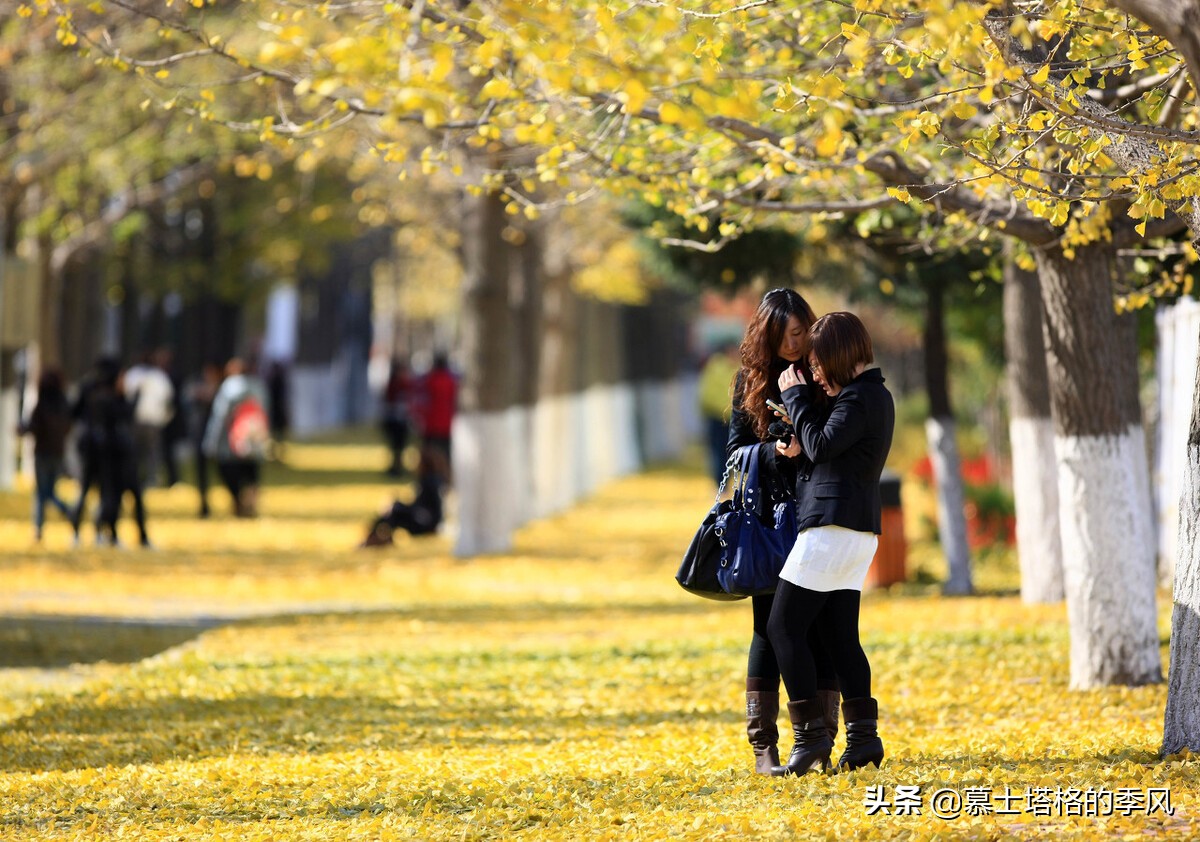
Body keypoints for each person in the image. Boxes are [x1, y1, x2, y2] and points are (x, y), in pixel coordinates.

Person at [768, 311, 895, 776]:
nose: (815, 372)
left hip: (832, 530)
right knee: (840, 637)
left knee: (784, 628)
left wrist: (796, 396)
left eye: (818, 363)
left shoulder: (861, 398)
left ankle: (810, 739)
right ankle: (863, 741)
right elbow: (826, 450)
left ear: (839, 355)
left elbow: (822, 446)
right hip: (853, 532)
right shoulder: (869, 397)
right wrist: (800, 439)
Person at [725, 287, 840, 775]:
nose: (795, 344)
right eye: (786, 336)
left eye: (800, 333)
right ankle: (763, 746)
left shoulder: (821, 374)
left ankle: (821, 739)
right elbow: (733, 453)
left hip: (818, 515)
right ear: (767, 336)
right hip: (771, 524)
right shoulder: (749, 381)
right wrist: (776, 452)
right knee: (768, 630)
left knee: (823, 627)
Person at [203, 358, 269, 517]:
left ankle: (238, 504)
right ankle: (251, 506)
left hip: (231, 441)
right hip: (254, 438)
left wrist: (211, 442)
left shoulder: (229, 387)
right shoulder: (259, 386)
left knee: (230, 473)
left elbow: (220, 416)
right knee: (251, 473)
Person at [19, 368, 74, 543]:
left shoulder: (42, 404)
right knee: (47, 491)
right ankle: (42, 526)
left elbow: (33, 426)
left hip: (42, 453)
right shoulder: (63, 403)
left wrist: (21, 430)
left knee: (43, 493)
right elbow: (68, 426)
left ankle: (63, 513)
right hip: (58, 452)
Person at [359, 447, 448, 547]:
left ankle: (375, 537)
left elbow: (428, 509)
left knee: (395, 509)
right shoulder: (434, 480)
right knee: (395, 511)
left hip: (427, 523)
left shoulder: (429, 481)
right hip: (426, 520)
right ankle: (379, 536)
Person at [123, 349, 176, 488]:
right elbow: (168, 398)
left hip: (139, 419)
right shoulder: (159, 376)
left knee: (140, 453)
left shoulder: (133, 375)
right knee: (150, 453)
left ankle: (138, 480)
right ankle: (150, 480)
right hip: (152, 420)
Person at [697, 340, 740, 484]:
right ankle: (719, 483)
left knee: (735, 452)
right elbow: (708, 394)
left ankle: (734, 483)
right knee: (718, 452)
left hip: (736, 418)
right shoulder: (715, 366)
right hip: (717, 417)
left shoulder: (741, 367)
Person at [188, 362, 223, 518]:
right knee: (201, 473)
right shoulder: (198, 387)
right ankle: (204, 505)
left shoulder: (222, 389)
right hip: (201, 436)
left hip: (219, 439)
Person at [415, 353, 456, 476]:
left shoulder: (428, 380)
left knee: (429, 454)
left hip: (431, 425)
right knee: (445, 454)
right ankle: (444, 476)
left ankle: (428, 476)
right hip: (447, 425)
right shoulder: (451, 382)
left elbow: (420, 401)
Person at [381, 356, 414, 476]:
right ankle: (395, 467)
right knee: (396, 446)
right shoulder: (395, 385)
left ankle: (398, 466)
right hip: (395, 420)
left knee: (400, 446)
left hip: (400, 420)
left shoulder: (404, 384)